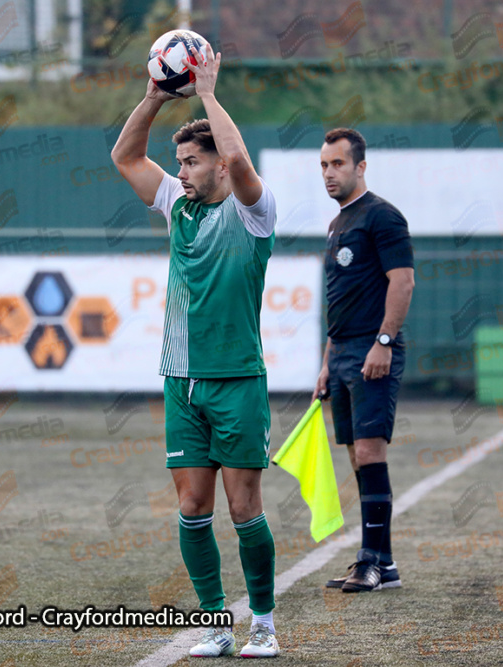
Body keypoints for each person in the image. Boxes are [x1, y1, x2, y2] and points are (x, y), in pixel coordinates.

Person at [111, 45, 279, 658]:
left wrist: (207, 91)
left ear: (217, 167)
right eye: (178, 161)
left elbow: (238, 158)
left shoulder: (252, 212)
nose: (180, 171)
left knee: (243, 508)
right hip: (180, 383)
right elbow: (125, 156)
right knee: (191, 506)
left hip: (237, 381)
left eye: (190, 162)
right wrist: (156, 95)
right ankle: (216, 623)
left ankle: (262, 622)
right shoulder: (175, 206)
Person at [312, 128, 415, 593]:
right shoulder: (337, 223)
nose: (330, 173)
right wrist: (327, 361)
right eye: (324, 165)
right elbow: (342, 300)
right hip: (344, 353)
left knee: (371, 452)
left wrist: (385, 341)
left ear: (360, 167)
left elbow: (403, 282)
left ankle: (369, 561)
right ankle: (382, 562)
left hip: (375, 350)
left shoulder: (383, 217)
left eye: (338, 164)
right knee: (356, 455)